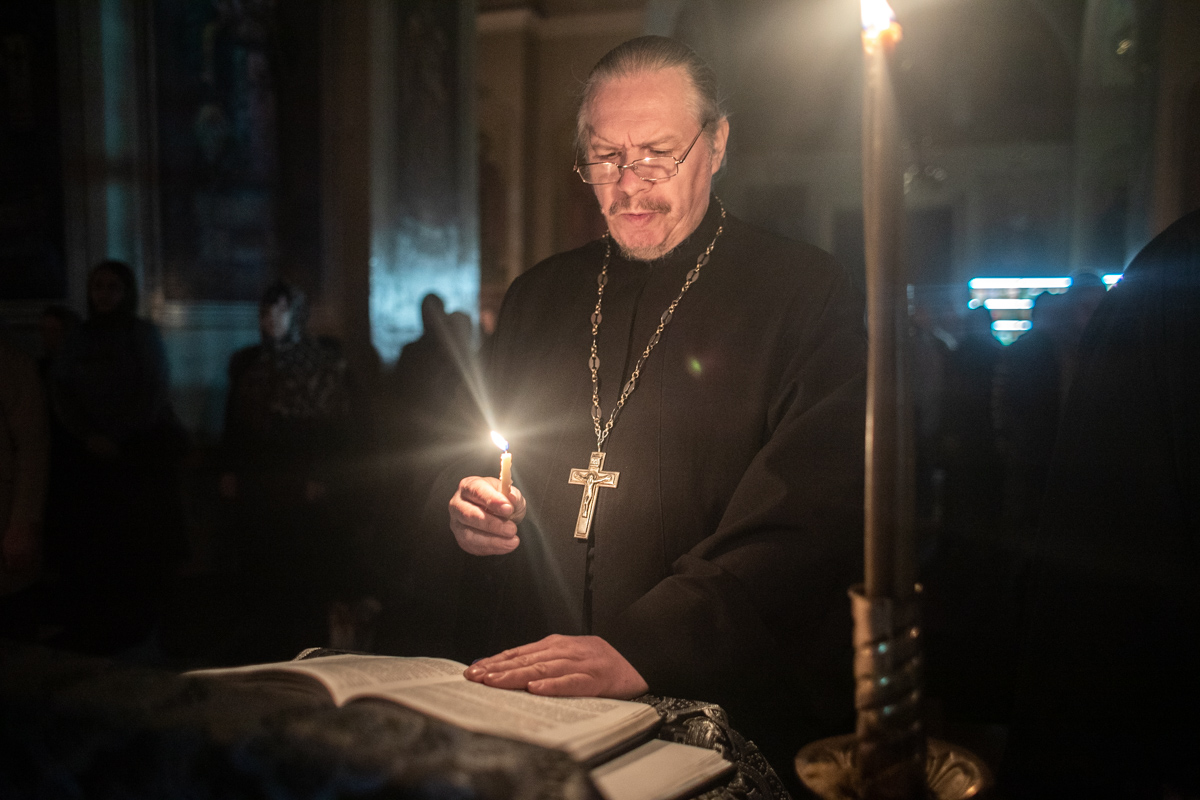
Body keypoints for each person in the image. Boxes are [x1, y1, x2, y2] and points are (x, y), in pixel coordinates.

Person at [435, 36, 866, 781]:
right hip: (535, 699)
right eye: (605, 158)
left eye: (658, 155)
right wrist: (470, 510)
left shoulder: (805, 292)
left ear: (717, 144)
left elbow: (805, 513)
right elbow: (472, 447)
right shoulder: (538, 298)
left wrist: (646, 646)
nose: (630, 185)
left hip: (721, 700)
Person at [1001, 208, 1200, 798]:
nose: (1084, 315)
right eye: (1079, 307)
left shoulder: (1154, 289)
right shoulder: (1164, 287)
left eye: (1093, 305)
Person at [217, 280, 363, 661]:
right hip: (259, 482)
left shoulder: (321, 364)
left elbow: (338, 430)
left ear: (296, 314)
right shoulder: (250, 363)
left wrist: (322, 478)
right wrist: (230, 470)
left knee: (302, 570)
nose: (270, 318)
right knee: (261, 568)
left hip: (302, 484)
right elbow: (235, 422)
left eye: (280, 310)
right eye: (265, 310)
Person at [49, 260, 189, 655]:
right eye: (98, 286)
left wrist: (119, 435)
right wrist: (88, 435)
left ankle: (139, 633)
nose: (104, 294)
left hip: (136, 460)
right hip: (90, 461)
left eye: (113, 286)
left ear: (126, 291)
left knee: (137, 550)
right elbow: (61, 390)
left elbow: (154, 389)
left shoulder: (141, 334)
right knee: (95, 550)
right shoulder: (80, 337)